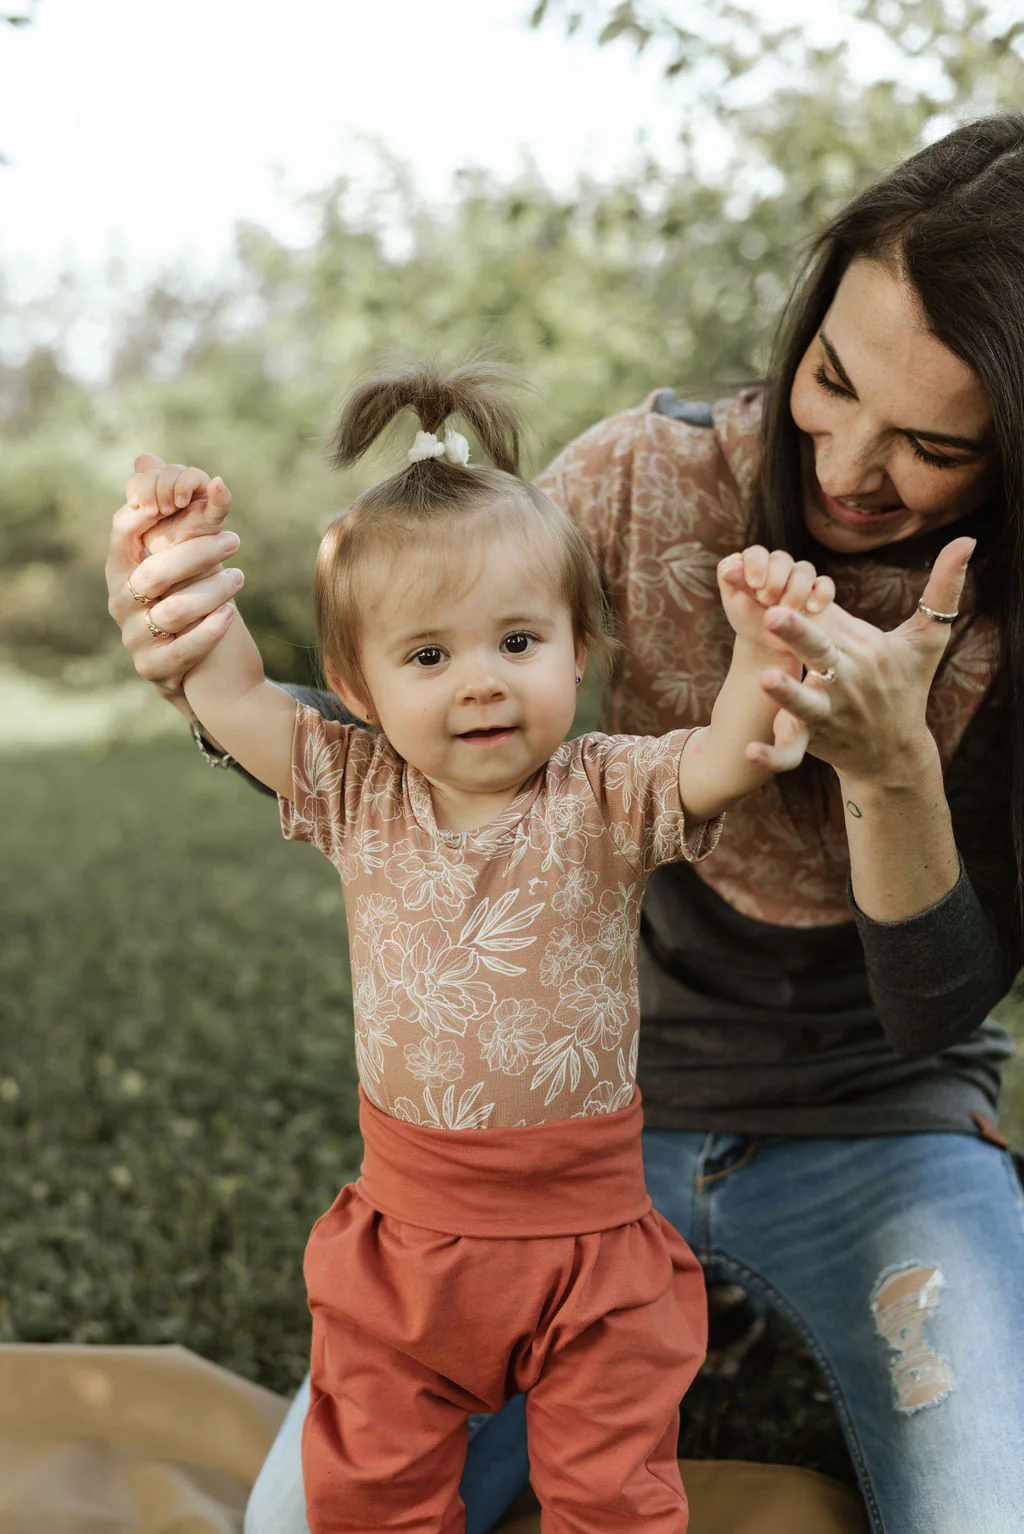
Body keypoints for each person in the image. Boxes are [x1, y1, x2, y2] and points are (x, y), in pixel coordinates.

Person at [105, 112, 1024, 1534]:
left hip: (867, 1127)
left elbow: (932, 998)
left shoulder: (970, 644)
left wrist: (888, 770)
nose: (844, 463)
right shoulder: (633, 485)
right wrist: (190, 635)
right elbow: (401, 668)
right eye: (828, 381)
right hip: (583, 1138)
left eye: (933, 443)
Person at [125, 355, 837, 1534]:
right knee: (371, 1493)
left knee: (612, 1491)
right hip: (407, 1246)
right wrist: (171, 562)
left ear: (577, 646)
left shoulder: (605, 791)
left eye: (517, 641)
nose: (480, 686)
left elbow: (719, 756)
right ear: (353, 683)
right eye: (428, 657)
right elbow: (235, 691)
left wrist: (762, 661)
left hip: (590, 1245)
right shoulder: (353, 788)